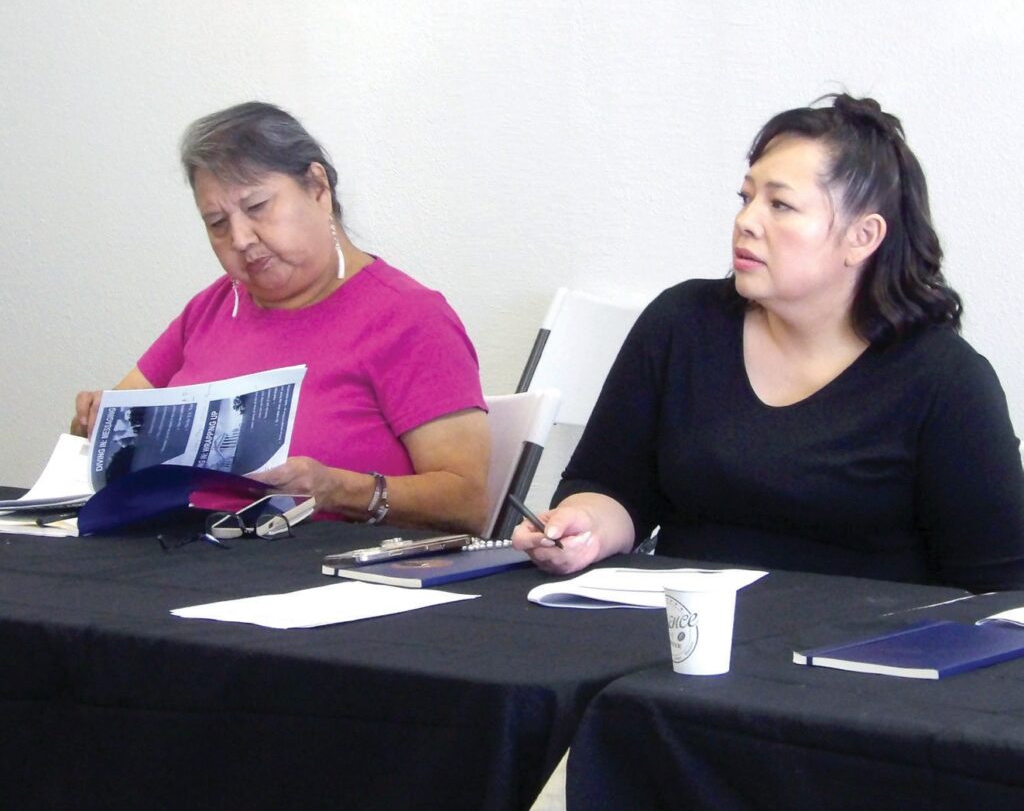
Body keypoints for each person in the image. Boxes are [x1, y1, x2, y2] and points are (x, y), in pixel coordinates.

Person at [513, 94, 1024, 592]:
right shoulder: (682, 323)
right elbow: (612, 487)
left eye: (780, 204)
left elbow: (999, 586)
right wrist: (584, 528)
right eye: (746, 197)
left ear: (862, 237)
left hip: (852, 661)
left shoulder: (945, 381)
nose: (746, 221)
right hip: (678, 644)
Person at [73, 102, 490, 533]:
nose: (240, 239)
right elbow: (109, 423)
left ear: (317, 187)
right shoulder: (213, 308)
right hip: (188, 559)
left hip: (328, 574)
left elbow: (467, 501)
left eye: (257, 207)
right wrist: (93, 417)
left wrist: (337, 489)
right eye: (217, 224)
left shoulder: (409, 318)